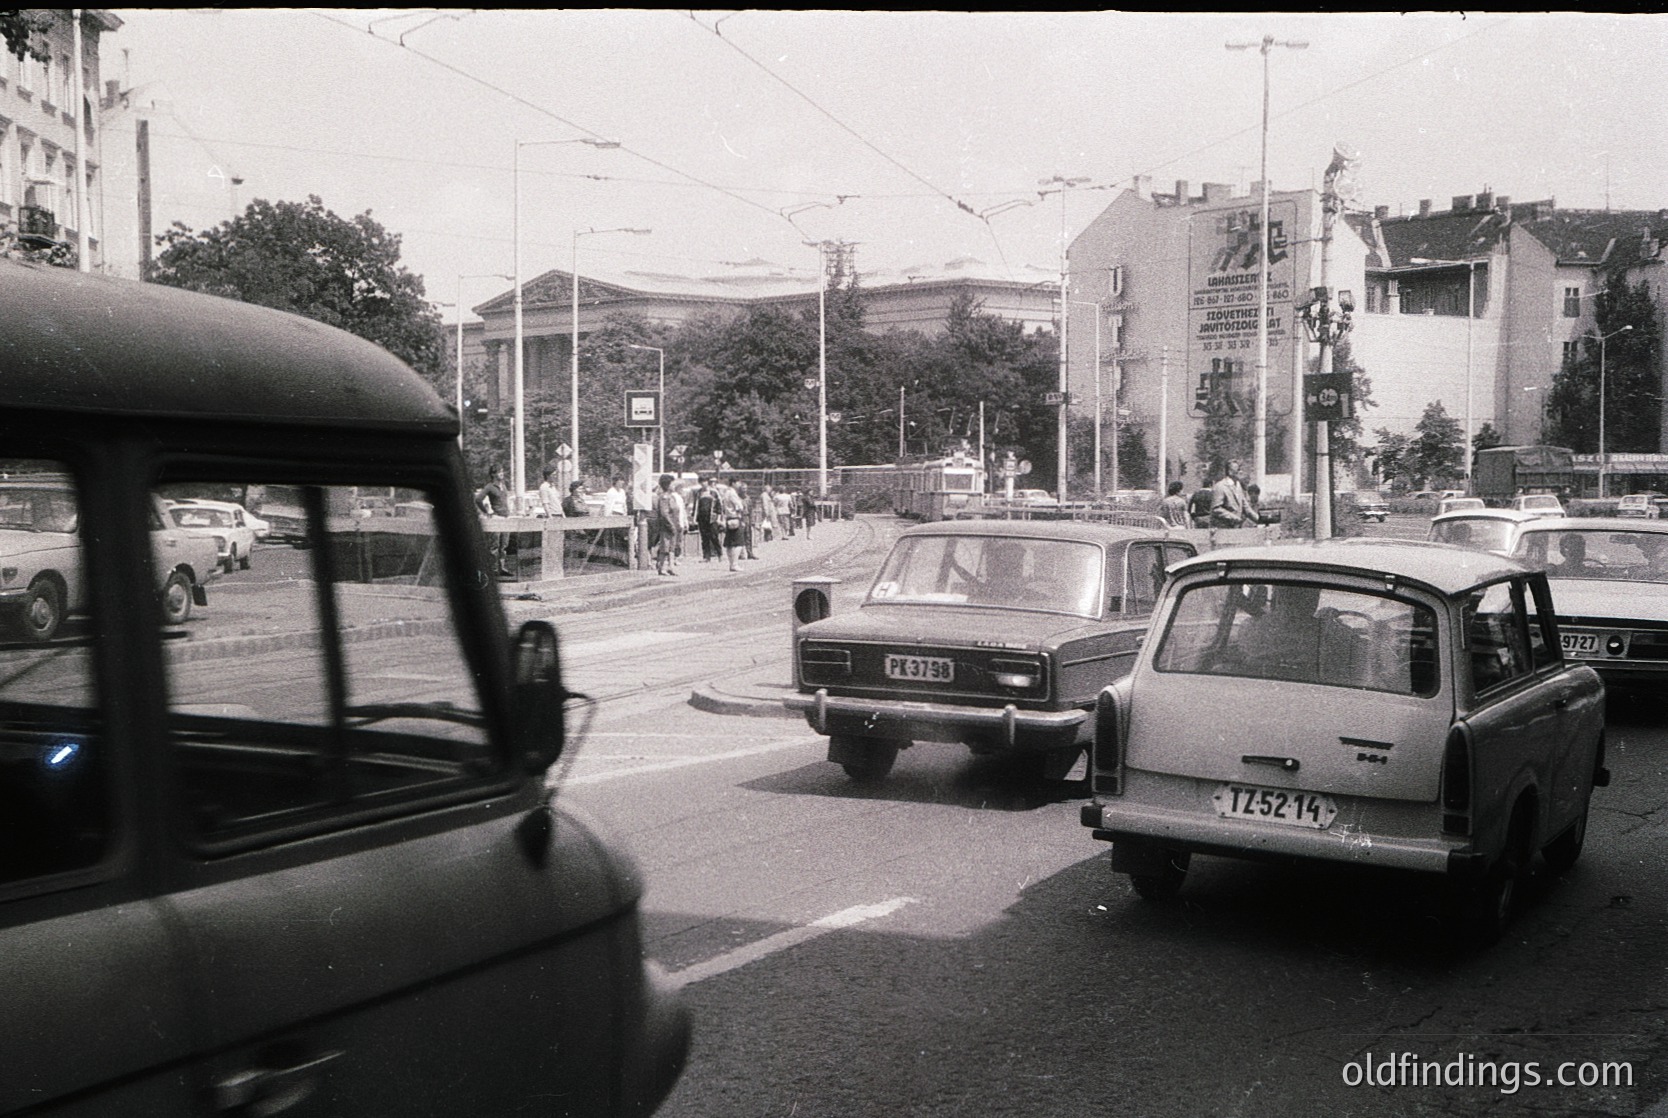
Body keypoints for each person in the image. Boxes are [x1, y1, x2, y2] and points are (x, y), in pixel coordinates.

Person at [474, 465, 513, 577]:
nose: (502, 473)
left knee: (504, 545)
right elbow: (478, 499)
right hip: (497, 517)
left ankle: (502, 567)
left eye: (502, 471)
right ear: (493, 474)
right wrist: (486, 512)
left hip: (506, 517)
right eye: (499, 472)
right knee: (494, 545)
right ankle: (494, 569)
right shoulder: (490, 487)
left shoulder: (503, 486)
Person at [1209, 459, 1257, 528]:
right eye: (1238, 470)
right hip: (1222, 529)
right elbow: (1216, 509)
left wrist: (1259, 519)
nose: (1241, 472)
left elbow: (1245, 506)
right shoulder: (1220, 486)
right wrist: (1233, 517)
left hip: (1236, 528)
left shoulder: (1238, 486)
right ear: (1230, 472)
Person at [652, 473, 682, 576]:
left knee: (672, 547)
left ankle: (671, 567)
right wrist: (671, 525)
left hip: (674, 525)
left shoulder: (672, 497)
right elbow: (664, 513)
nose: (674, 486)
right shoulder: (664, 498)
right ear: (667, 485)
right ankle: (662, 567)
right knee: (665, 547)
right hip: (667, 526)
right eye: (672, 484)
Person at [718, 478, 747, 571]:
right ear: (733, 483)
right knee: (739, 542)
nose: (739, 484)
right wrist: (742, 517)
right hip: (735, 518)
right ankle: (735, 564)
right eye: (738, 482)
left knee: (729, 544)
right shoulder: (733, 493)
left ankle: (731, 564)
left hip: (728, 519)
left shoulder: (726, 492)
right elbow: (739, 506)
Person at [694, 475, 722, 561]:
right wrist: (694, 518)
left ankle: (719, 554)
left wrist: (719, 518)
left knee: (714, 536)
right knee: (704, 537)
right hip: (702, 518)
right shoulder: (698, 493)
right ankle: (706, 556)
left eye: (705, 481)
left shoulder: (714, 492)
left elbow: (719, 505)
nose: (703, 484)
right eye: (702, 482)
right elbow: (696, 506)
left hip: (712, 518)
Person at [735, 481, 759, 559]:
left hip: (747, 517)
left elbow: (751, 509)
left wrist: (752, 520)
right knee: (739, 536)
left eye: (745, 489)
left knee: (748, 536)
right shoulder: (737, 498)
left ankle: (750, 553)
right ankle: (739, 554)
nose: (744, 490)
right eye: (743, 489)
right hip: (739, 518)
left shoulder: (748, 498)